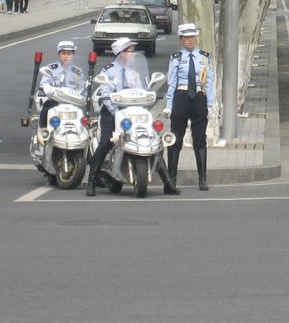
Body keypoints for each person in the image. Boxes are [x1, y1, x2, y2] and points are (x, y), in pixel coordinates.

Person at [87, 38, 180, 196]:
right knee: (106, 142)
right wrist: (117, 113)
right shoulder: (108, 71)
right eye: (131, 51)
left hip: (134, 112)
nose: (134, 54)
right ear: (122, 53)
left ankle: (168, 183)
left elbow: (143, 89)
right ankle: (92, 181)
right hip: (113, 112)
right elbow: (106, 94)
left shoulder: (134, 71)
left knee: (152, 139)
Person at [164, 23, 215, 191]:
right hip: (181, 96)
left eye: (192, 37)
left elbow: (209, 81)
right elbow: (171, 83)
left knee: (200, 139)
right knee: (176, 139)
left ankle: (203, 179)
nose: (190, 40)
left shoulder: (204, 57)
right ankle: (171, 180)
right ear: (181, 39)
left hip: (199, 97)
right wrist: (169, 105)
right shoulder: (177, 57)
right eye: (186, 38)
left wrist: (210, 103)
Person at [37, 41, 86, 127]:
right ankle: (44, 134)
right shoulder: (51, 69)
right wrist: (47, 88)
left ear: (73, 55)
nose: (66, 56)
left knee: (83, 120)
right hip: (54, 101)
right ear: (58, 55)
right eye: (63, 53)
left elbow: (83, 90)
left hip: (73, 103)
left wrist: (82, 97)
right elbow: (44, 83)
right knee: (45, 111)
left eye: (69, 54)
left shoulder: (78, 72)